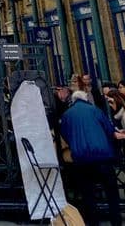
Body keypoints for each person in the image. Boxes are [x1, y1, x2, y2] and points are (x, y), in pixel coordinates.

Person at [60, 90, 123, 226]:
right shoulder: (95, 110)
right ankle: (116, 221)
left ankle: (93, 222)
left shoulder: (67, 114)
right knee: (111, 193)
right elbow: (108, 129)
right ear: (86, 99)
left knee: (88, 194)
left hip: (81, 158)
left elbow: (64, 133)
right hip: (102, 156)